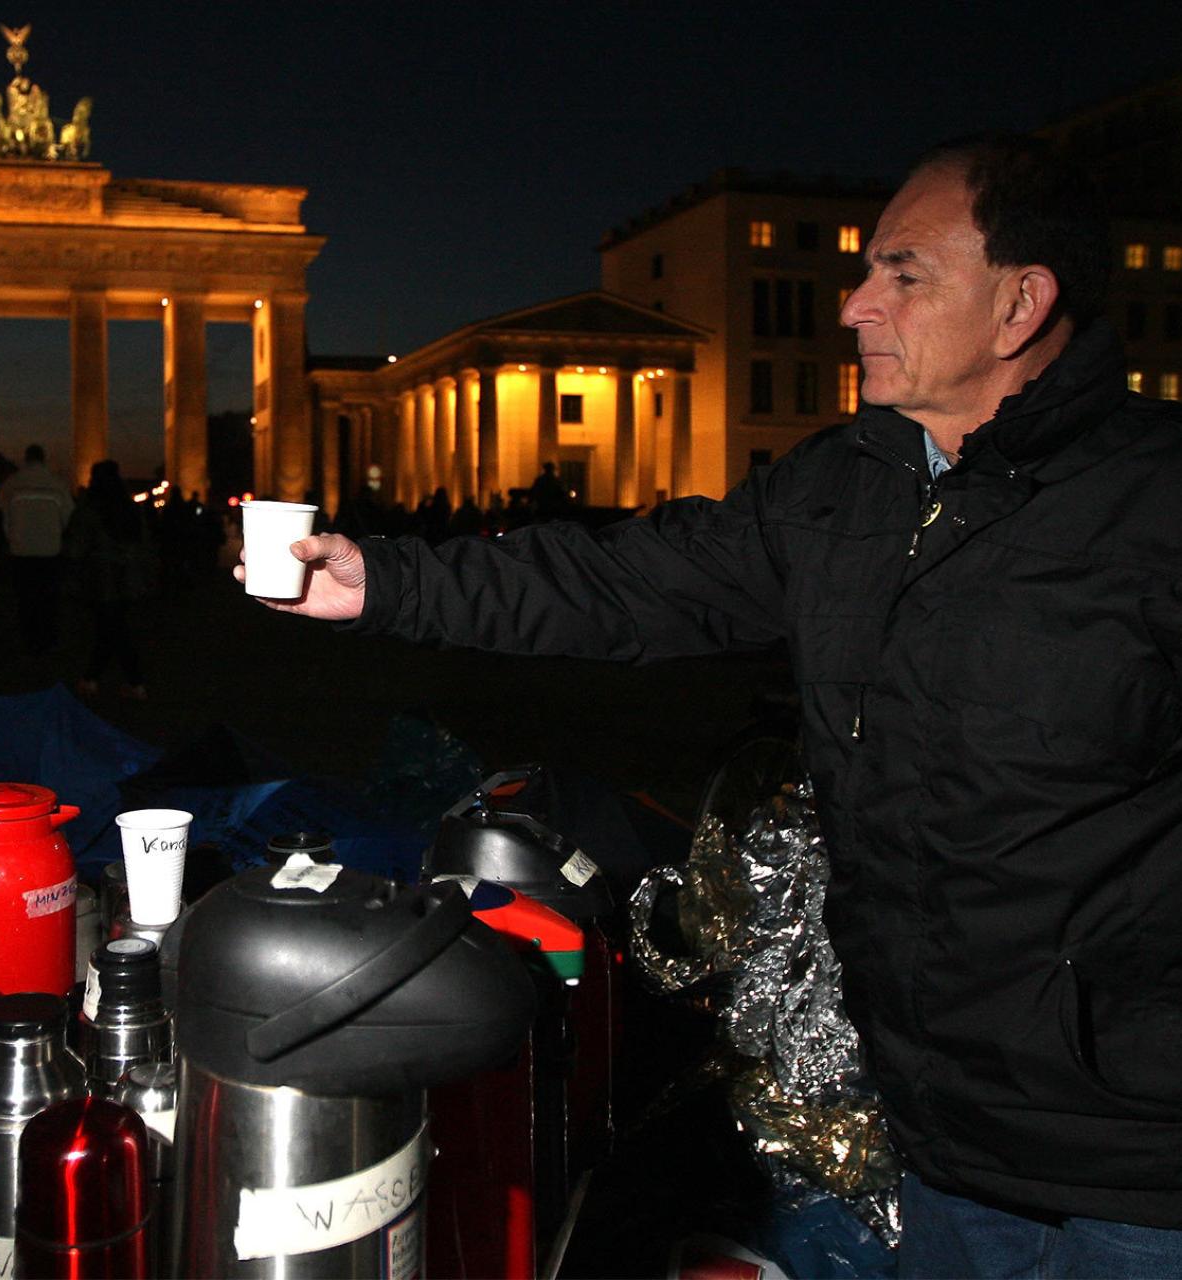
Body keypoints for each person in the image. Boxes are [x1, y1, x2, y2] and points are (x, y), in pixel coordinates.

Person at [242, 136, 1182, 1276]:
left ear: (1019, 305)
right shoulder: (851, 484)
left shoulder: (1149, 506)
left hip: (1131, 1172)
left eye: (901, 273)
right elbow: (630, 580)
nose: (851, 304)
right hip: (938, 1142)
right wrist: (390, 580)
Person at [68, 459, 154, 700]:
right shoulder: (130, 508)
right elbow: (144, 544)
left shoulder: (89, 508)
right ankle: (102, 680)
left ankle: (124, 681)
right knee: (113, 629)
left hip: (100, 578)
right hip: (128, 578)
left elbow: (77, 547)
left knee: (112, 631)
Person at [0, 442, 74, 653]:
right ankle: (47, 639)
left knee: (25, 598)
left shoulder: (11, 484)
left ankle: (29, 639)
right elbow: (69, 518)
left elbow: (5, 518)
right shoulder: (57, 484)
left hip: (21, 552)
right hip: (50, 552)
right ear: (43, 459)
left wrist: (13, 539)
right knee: (48, 598)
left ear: (26, 459)